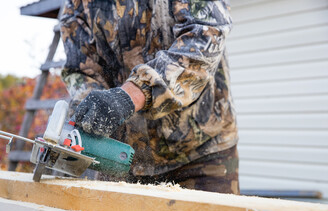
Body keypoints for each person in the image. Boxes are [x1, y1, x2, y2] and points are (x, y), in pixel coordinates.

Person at [60, 0, 239, 194]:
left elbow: (206, 34)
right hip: (120, 157)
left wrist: (133, 93)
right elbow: (79, 70)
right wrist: (89, 107)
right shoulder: (77, 4)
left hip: (200, 154)